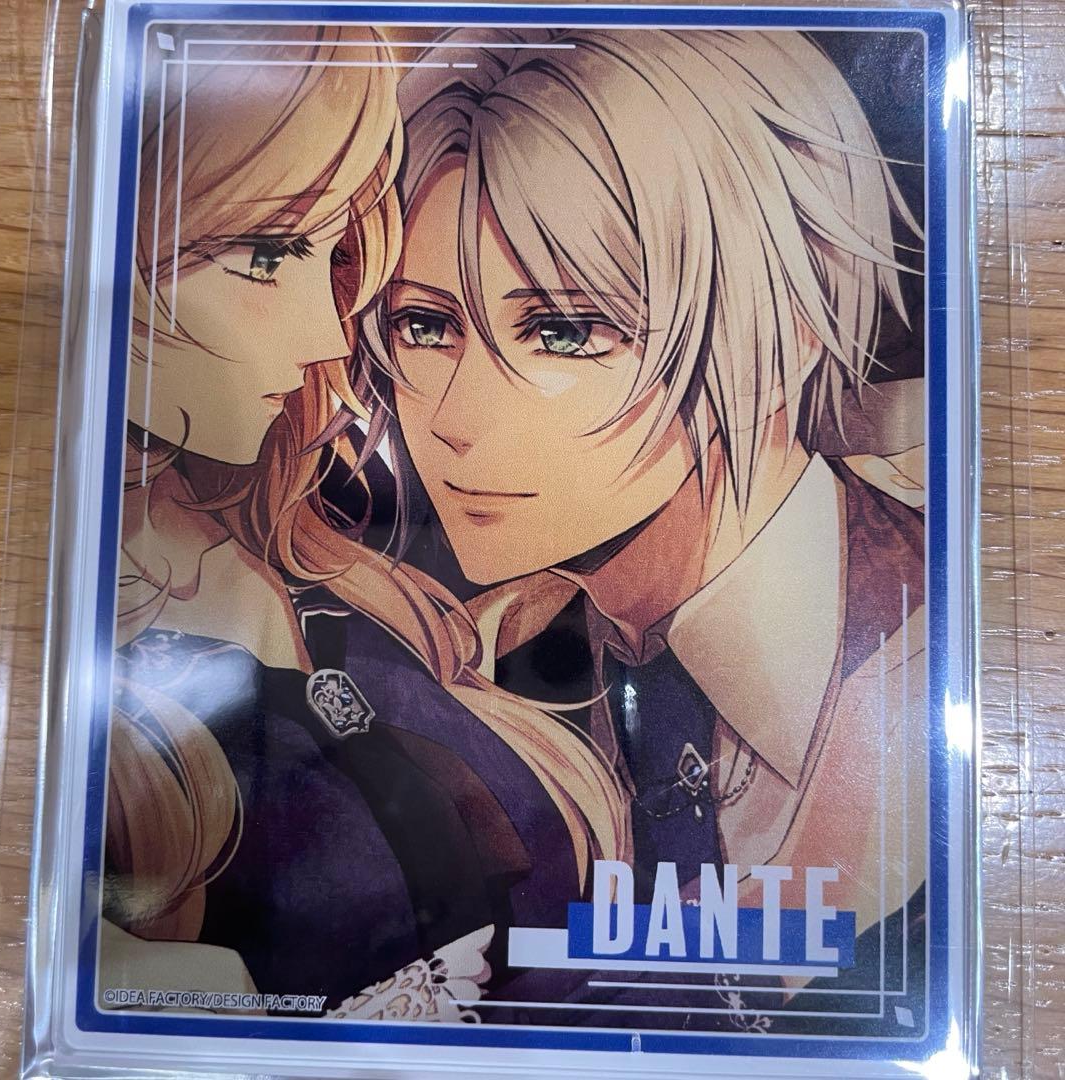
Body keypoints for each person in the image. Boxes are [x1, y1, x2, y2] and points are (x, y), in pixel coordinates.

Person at [354, 26, 927, 1032]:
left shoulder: (938, 640)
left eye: (563, 331)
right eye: (426, 326)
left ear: (786, 330)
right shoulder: (461, 671)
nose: (455, 419)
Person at [102, 23, 626, 1020]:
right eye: (265, 253)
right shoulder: (71, 658)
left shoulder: (345, 574)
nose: (325, 335)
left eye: (332, 253)